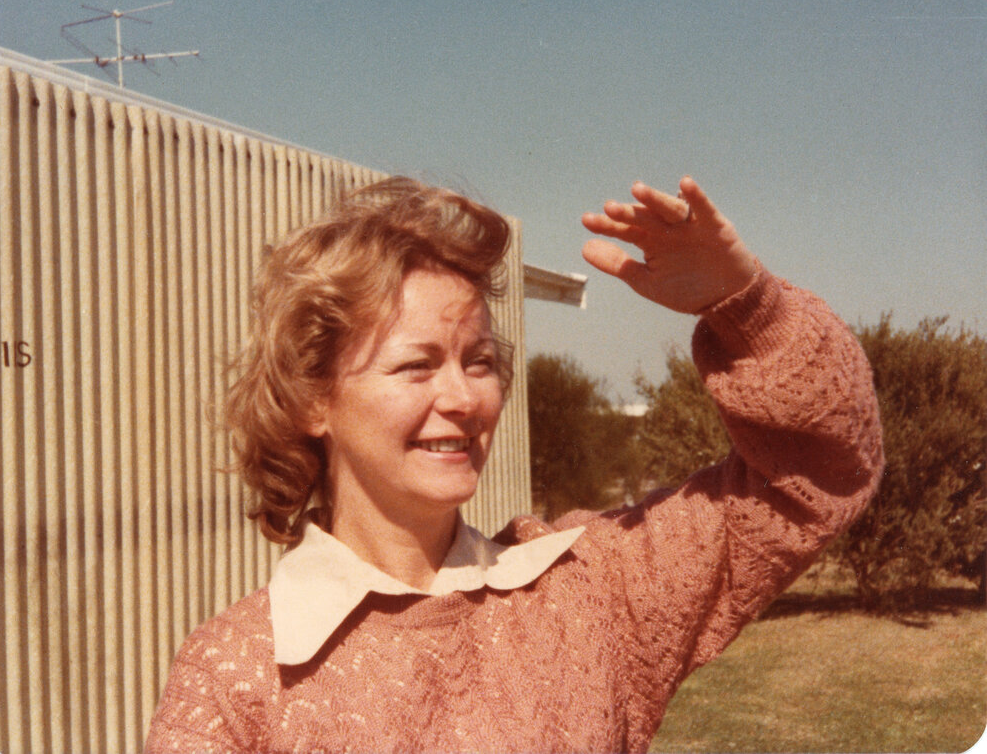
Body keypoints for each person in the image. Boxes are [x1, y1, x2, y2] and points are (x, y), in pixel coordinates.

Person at [145, 175, 883, 753]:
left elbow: (821, 471)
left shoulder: (590, 593)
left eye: (477, 361)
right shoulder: (237, 675)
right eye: (416, 365)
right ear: (313, 400)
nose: (463, 397)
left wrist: (744, 303)